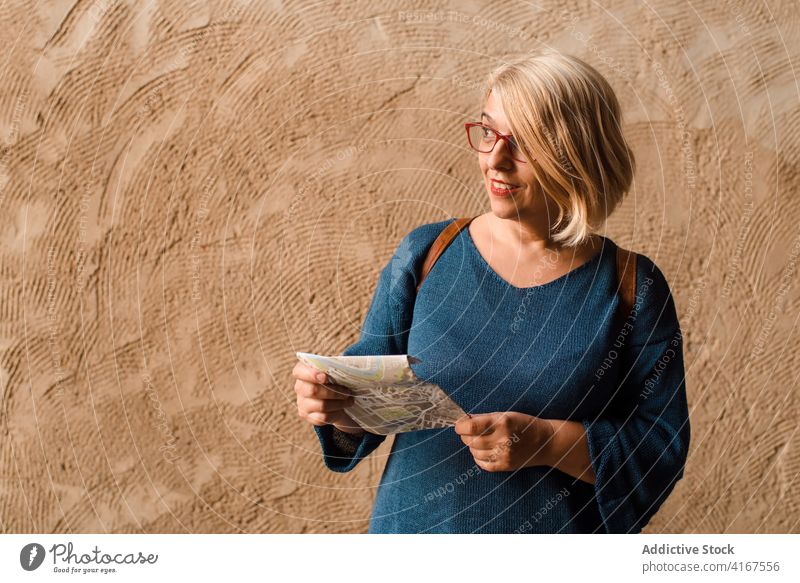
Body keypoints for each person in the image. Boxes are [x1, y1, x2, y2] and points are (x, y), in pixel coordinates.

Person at [293, 49, 690, 533]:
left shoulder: (632, 288)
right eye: (488, 132)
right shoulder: (427, 254)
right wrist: (335, 406)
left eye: (523, 143)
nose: (495, 160)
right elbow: (369, 405)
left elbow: (660, 447)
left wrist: (546, 442)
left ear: (579, 153)